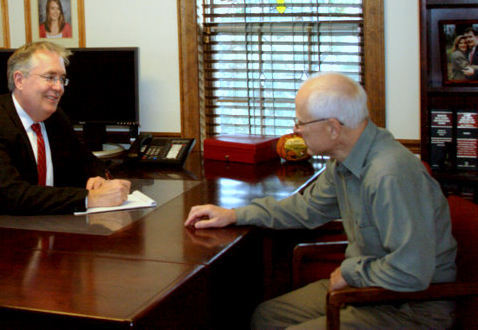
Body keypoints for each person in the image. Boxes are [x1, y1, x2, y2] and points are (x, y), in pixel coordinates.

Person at [185, 72, 456, 329]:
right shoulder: (344, 160)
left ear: (333, 128)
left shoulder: (389, 174)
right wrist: (234, 215)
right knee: (267, 317)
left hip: (410, 307)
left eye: (301, 122)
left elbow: (411, 272)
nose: (296, 130)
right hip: (369, 286)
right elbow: (306, 209)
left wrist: (350, 272)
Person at [0, 41, 130, 228]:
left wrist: (98, 179)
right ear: (19, 80)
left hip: (43, 225)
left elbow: (88, 161)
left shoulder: (55, 118)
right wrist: (89, 199)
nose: (59, 87)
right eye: (50, 77)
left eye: (62, 79)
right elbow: (12, 196)